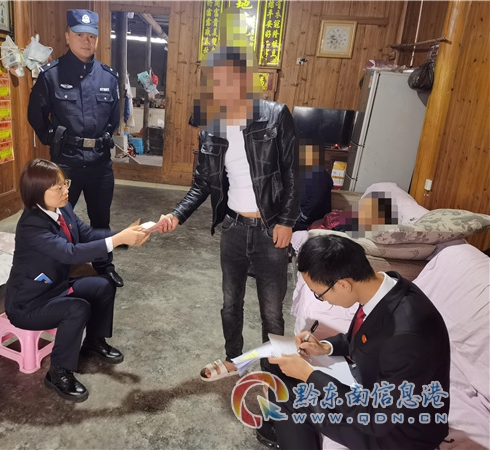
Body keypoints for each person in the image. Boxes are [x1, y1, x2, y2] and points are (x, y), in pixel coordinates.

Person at [158, 42, 300, 381]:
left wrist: (287, 221)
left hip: (270, 230)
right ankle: (235, 360)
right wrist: (176, 215)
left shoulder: (276, 115)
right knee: (230, 304)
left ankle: (273, 372)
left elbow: (294, 174)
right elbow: (202, 184)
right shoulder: (211, 128)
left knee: (272, 312)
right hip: (233, 228)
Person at [257, 234, 450, 449]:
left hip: (398, 433)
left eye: (319, 294)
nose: (322, 300)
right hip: (373, 392)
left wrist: (309, 375)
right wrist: (325, 347)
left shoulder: (405, 334)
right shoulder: (384, 289)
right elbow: (365, 338)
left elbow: (377, 419)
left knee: (289, 392)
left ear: (343, 285)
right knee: (277, 366)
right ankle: (279, 431)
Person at [5, 159, 149, 402]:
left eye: (65, 184)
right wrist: (118, 240)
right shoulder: (32, 226)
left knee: (104, 285)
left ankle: (93, 341)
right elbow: (70, 253)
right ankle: (57, 373)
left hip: (57, 287)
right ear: (37, 192)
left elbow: (87, 234)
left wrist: (124, 235)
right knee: (77, 308)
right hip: (29, 303)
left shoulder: (63, 209)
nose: (66, 191)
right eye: (58, 188)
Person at [28, 9, 124, 287]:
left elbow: (114, 118)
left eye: (91, 36)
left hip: (100, 163)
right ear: (68, 36)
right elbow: (36, 115)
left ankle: (103, 265)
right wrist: (53, 140)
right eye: (80, 35)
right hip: (66, 163)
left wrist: (102, 140)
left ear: (97, 39)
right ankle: (57, 270)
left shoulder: (108, 77)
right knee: (58, 218)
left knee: (101, 218)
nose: (86, 40)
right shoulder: (51, 75)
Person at [293, 145, 333, 232]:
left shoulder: (320, 176)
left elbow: (315, 202)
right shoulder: (303, 173)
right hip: (299, 217)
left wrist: (302, 217)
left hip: (310, 222)